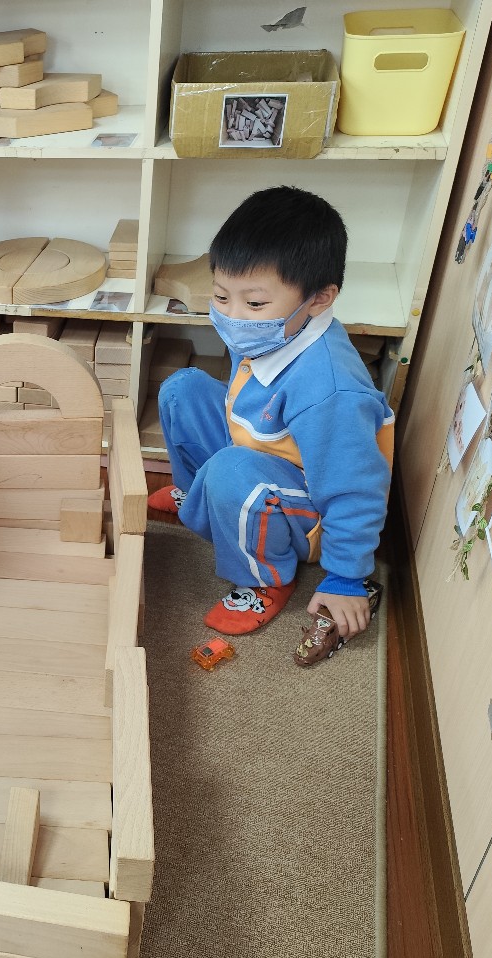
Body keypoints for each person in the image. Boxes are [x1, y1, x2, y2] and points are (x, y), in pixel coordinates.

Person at [147, 186, 393, 641]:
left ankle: (265, 579)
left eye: (254, 304)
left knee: (231, 469)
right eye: (221, 296)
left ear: (319, 299)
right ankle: (195, 495)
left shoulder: (330, 389)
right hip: (264, 456)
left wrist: (346, 577)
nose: (233, 316)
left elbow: (356, 489)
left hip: (309, 511)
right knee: (183, 389)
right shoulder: (279, 328)